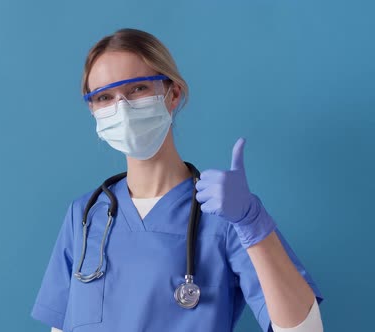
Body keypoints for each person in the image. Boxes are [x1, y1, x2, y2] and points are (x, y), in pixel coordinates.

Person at [30, 28, 323, 332]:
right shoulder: (85, 215)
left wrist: (252, 222)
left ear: (174, 93)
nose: (122, 108)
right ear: (92, 110)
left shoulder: (223, 215)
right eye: (104, 96)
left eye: (137, 89)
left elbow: (306, 329)